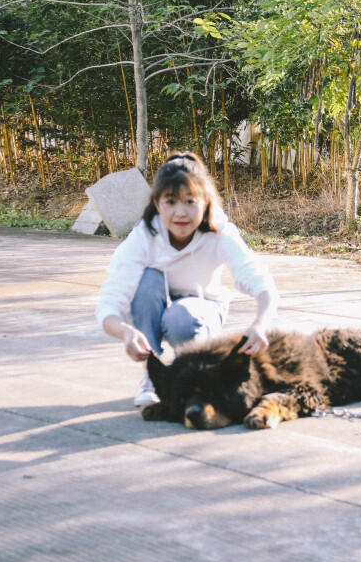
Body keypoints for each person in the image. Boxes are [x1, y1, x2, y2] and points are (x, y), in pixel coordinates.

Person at [96, 152, 278, 406]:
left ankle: (194, 372)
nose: (180, 212)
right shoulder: (144, 236)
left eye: (190, 201)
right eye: (170, 202)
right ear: (157, 204)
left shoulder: (219, 233)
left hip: (202, 309)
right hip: (154, 305)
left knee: (181, 318)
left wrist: (260, 324)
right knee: (145, 280)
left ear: (205, 201)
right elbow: (110, 302)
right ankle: (153, 374)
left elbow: (260, 281)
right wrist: (125, 332)